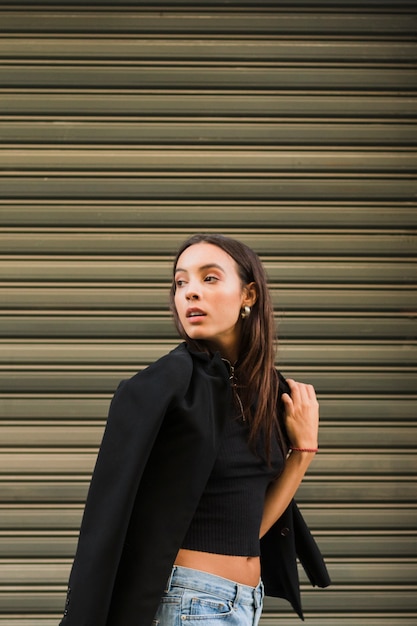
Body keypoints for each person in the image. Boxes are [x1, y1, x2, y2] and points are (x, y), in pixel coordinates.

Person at [59, 233, 330, 626]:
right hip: (189, 601)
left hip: (245, 603)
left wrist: (302, 451)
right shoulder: (164, 386)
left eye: (209, 278)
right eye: (180, 282)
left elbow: (246, 526)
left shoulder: (268, 392)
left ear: (248, 295)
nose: (189, 293)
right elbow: (109, 512)